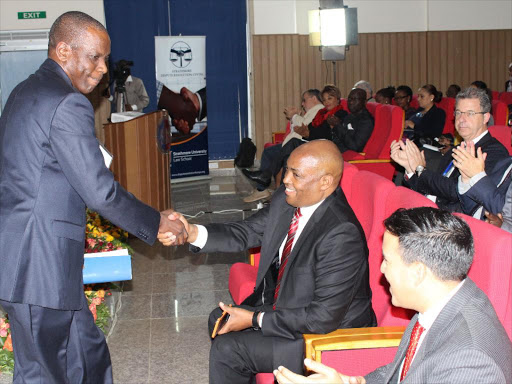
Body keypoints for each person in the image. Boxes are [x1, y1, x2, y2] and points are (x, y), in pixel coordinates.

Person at [0, 11, 186, 383]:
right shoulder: (66, 102)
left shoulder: (24, 91)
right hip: (37, 267)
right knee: (43, 373)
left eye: (105, 59)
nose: (103, 69)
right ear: (64, 50)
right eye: (95, 57)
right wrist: (157, 221)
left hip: (41, 262)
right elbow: (100, 191)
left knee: (88, 354)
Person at [159, 140, 376, 383]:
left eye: (296, 174)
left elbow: (321, 318)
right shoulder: (289, 198)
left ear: (325, 182)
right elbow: (246, 231)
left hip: (326, 337)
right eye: (287, 169)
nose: (285, 180)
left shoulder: (340, 233)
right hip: (291, 308)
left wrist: (254, 319)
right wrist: (191, 233)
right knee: (219, 319)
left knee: (228, 350)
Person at [273, 207, 512, 384]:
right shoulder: (439, 302)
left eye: (387, 260)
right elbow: (398, 374)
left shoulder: (469, 361)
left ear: (418, 272)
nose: (382, 269)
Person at [391, 87, 508, 212]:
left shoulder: (494, 152)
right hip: (433, 210)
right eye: (458, 112)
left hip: (455, 221)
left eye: (470, 113)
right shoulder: (456, 149)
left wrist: (419, 170)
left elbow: (458, 191)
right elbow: (436, 187)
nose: (462, 119)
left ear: (486, 118)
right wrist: (410, 169)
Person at [243, 85, 347, 189]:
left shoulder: (340, 114)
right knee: (288, 157)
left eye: (330, 98)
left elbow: (326, 134)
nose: (327, 102)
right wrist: (306, 132)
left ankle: (266, 176)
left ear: (338, 100)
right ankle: (283, 192)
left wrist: (307, 132)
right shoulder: (322, 114)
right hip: (314, 143)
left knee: (293, 142)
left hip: (326, 147)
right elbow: (311, 130)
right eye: (324, 100)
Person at [242, 89, 324, 203]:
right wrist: (295, 117)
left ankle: (265, 184)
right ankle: (263, 187)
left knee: (278, 156)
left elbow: (304, 128)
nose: (302, 104)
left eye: (304, 100)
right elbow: (295, 130)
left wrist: (294, 116)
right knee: (268, 152)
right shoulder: (310, 112)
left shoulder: (319, 109)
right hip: (293, 144)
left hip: (303, 146)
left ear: (313, 98)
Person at [453, 141, 512, 223]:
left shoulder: (497, 150)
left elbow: (506, 216)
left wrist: (478, 176)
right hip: (469, 224)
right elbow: (472, 209)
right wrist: (467, 180)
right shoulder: (505, 162)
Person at [331, 88, 374, 153]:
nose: (351, 102)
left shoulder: (366, 121)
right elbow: (337, 137)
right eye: (349, 99)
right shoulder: (350, 116)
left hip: (348, 154)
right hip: (336, 150)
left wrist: (337, 125)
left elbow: (355, 147)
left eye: (355, 99)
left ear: (365, 102)